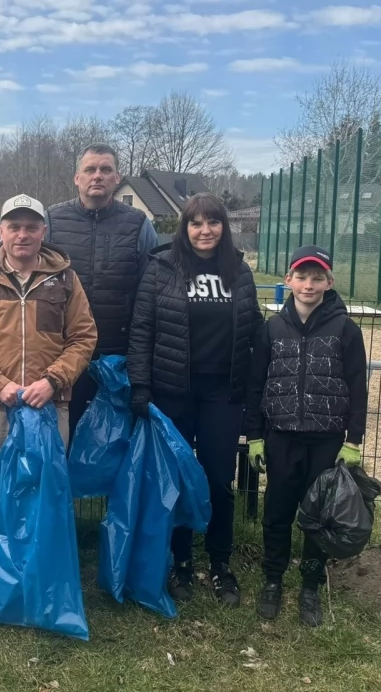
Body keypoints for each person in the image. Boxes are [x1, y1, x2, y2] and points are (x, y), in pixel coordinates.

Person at [0, 193, 98, 624]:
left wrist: (52, 381)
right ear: (1, 231)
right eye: (14, 226)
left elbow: (84, 338)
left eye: (31, 226)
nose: (23, 234)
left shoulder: (65, 279)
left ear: (42, 232)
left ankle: (41, 585)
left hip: (51, 409)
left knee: (44, 499)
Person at [127, 193, 263, 608]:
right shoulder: (162, 268)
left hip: (223, 393)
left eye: (213, 222)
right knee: (177, 479)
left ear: (224, 226)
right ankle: (181, 559)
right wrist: (140, 387)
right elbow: (141, 329)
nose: (205, 231)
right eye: (196, 223)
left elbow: (254, 329)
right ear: (183, 228)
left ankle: (221, 563)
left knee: (219, 479)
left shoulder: (239, 270)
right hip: (173, 392)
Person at [244, 245, 368, 627]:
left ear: (329, 282)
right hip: (281, 436)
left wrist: (353, 440)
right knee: (277, 513)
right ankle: (272, 581)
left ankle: (311, 585)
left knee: (318, 518)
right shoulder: (271, 329)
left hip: (326, 439)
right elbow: (255, 385)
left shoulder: (346, 329)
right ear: (288, 281)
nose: (308, 284)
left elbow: (358, 386)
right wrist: (255, 436)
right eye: (301, 276)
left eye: (317, 277)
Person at [46, 143, 159, 440]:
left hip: (118, 355)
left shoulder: (139, 224)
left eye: (105, 169)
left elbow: (151, 291)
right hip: (63, 353)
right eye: (90, 169)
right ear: (77, 177)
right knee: (63, 438)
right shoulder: (52, 221)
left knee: (113, 441)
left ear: (116, 177)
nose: (97, 176)